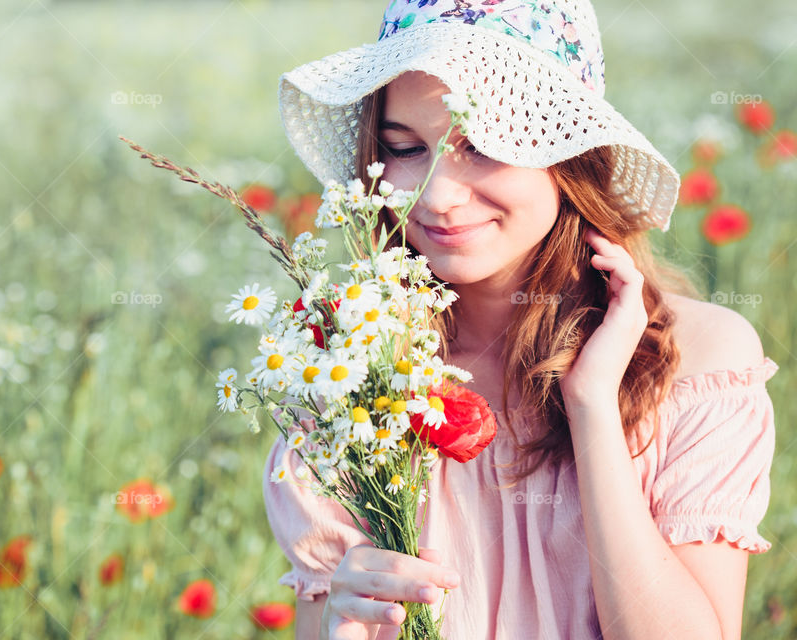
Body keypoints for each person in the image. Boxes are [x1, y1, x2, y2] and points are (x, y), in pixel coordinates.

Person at [263, 1, 778, 638]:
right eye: (404, 147)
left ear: (570, 154)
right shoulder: (352, 381)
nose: (440, 197)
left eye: (482, 145)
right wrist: (342, 620)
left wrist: (590, 408)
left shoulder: (700, 358)